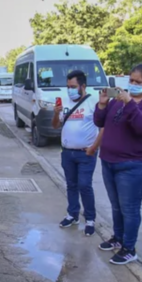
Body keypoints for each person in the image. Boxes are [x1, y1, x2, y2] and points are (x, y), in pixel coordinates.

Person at [94, 64, 142, 265]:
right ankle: (118, 238)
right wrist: (103, 105)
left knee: (129, 208)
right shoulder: (117, 101)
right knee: (116, 206)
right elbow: (100, 122)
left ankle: (129, 248)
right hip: (110, 162)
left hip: (135, 165)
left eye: (138, 82)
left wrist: (130, 103)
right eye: (131, 80)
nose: (132, 84)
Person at [52, 70, 103, 236]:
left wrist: (94, 147)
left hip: (85, 153)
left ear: (83, 86)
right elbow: (55, 126)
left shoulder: (94, 103)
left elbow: (103, 128)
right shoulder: (64, 101)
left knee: (84, 185)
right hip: (67, 153)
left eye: (73, 87)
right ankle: (72, 215)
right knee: (71, 185)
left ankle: (90, 219)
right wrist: (55, 112)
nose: (70, 90)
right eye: (68, 87)